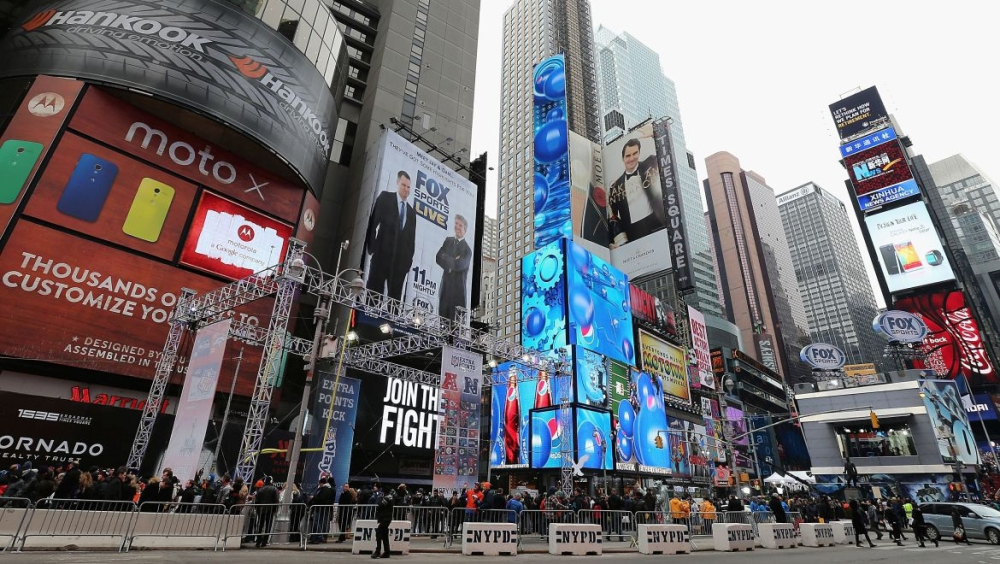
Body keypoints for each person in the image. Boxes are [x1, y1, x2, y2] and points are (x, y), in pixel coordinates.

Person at [365, 170, 417, 301]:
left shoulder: (411, 213)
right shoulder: (385, 198)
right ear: (397, 182)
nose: (406, 189)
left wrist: (407, 264)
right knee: (373, 297)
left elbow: (411, 242)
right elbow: (373, 223)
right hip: (381, 257)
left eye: (408, 187)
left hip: (399, 266)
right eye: (403, 185)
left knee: (394, 304)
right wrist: (372, 248)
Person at [607, 137, 663, 247]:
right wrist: (611, 242)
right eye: (628, 156)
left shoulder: (650, 163)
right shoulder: (615, 186)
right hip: (633, 234)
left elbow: (664, 153)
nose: (632, 158)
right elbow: (612, 218)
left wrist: (653, 134)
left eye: (635, 153)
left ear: (639, 152)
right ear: (622, 159)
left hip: (657, 224)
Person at [435, 214, 472, 322]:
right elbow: (438, 257)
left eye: (460, 225)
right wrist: (452, 261)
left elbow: (459, 265)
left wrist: (446, 258)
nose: (458, 227)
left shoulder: (467, 250)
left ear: (465, 229)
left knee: (454, 328)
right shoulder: (448, 240)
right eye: (456, 223)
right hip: (445, 288)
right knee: (442, 322)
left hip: (457, 294)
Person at [308, 476, 337, 544]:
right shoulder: (330, 489)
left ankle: (320, 536)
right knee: (321, 523)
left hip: (322, 508)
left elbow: (322, 499)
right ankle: (318, 536)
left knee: (319, 522)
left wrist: (314, 498)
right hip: (324, 508)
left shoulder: (325, 489)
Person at [253, 476, 280, 547]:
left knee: (260, 525)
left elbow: (257, 500)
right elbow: (276, 500)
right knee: (268, 525)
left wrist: (257, 508)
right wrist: (275, 509)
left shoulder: (261, 489)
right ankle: (265, 541)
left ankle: (258, 541)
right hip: (270, 510)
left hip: (261, 510)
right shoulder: (274, 489)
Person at [372, 482, 394, 559]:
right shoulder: (390, 497)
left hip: (385, 518)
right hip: (386, 518)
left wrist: (379, 498)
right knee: (384, 535)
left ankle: (378, 551)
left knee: (378, 532)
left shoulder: (387, 498)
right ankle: (387, 552)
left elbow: (380, 505)